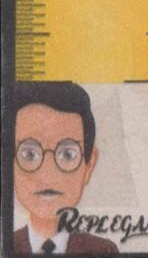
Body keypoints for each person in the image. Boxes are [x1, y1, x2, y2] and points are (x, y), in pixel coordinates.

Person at [12, 82, 117, 254]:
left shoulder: (104, 250)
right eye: (29, 154)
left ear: (89, 166)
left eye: (67, 154)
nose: (48, 174)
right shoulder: (7, 247)